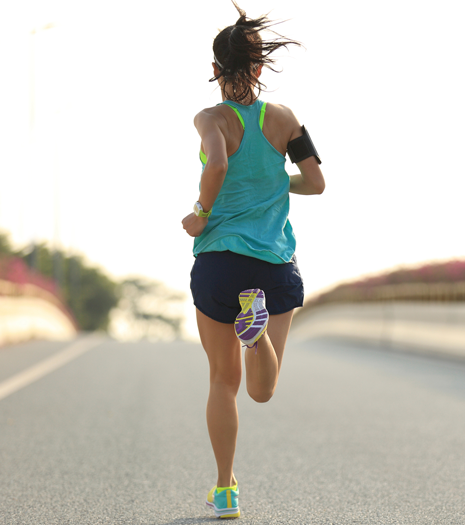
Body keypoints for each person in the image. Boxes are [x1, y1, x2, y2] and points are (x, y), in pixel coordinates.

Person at [181, 3, 325, 519]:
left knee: (224, 381)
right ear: (261, 69)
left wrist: (200, 212)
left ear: (215, 70)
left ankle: (225, 489)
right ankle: (257, 334)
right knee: (263, 390)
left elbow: (217, 162)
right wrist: (273, 182)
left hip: (220, 262)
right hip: (273, 266)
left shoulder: (209, 118)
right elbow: (316, 182)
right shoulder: (285, 119)